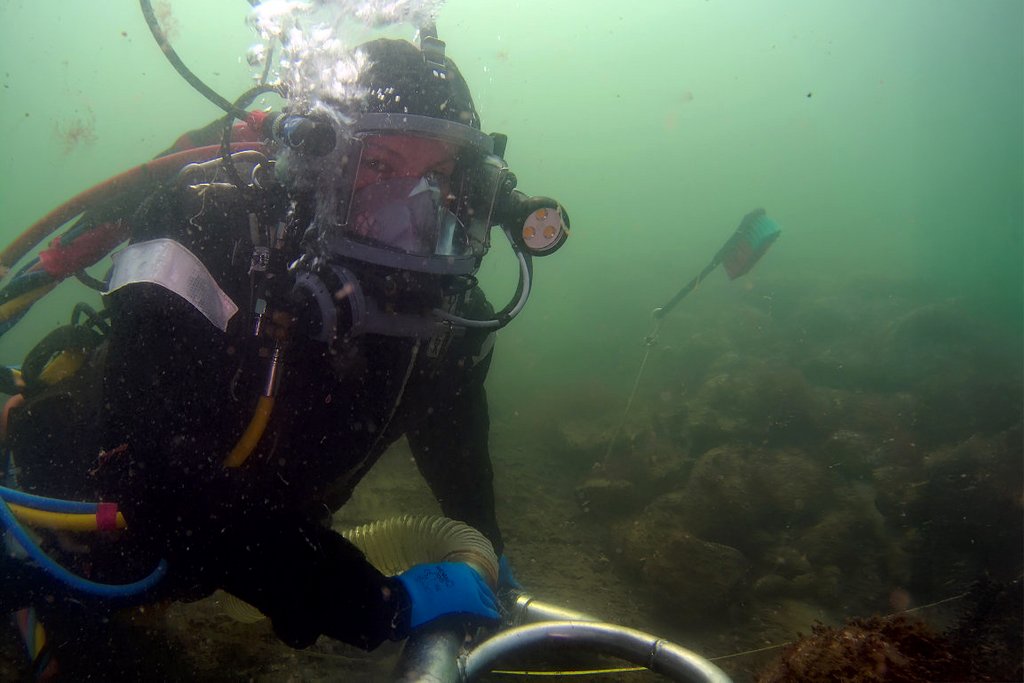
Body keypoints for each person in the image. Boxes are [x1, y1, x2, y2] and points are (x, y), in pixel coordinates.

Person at [0, 34, 567, 672]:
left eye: (435, 176)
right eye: (378, 166)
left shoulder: (445, 307)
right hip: (85, 526)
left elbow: (450, 423)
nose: (411, 210)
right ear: (315, 166)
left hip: (237, 542)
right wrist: (373, 602)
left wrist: (482, 538)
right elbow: (156, 477)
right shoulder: (204, 229)